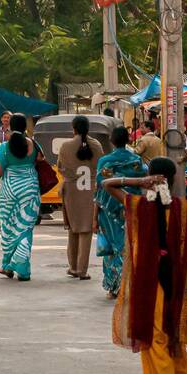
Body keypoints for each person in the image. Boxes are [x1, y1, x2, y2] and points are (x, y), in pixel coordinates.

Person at [105, 157, 187, 374]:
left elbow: (106, 184)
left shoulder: (137, 206)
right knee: (175, 342)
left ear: (150, 178)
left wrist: (137, 182)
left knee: (156, 343)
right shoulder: (186, 210)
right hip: (177, 288)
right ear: (173, 180)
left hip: (150, 291)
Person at [0, 113, 41, 281]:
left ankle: (8, 265)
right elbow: (40, 160)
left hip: (9, 191)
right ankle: (22, 269)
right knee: (25, 228)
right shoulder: (33, 145)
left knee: (8, 228)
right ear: (25, 128)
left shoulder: (3, 148)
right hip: (30, 189)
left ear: (10, 127)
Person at [96, 126, 147, 297]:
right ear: (128, 140)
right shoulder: (137, 160)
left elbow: (100, 186)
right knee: (128, 244)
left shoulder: (104, 161)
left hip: (108, 209)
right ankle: (128, 283)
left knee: (111, 247)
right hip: (131, 206)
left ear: (111, 140)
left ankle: (114, 286)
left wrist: (94, 215)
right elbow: (142, 181)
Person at [57, 115, 103, 279]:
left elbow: (60, 168)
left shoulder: (66, 146)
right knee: (86, 230)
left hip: (71, 190)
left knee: (73, 228)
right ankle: (82, 270)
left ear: (73, 128)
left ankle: (73, 266)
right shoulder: (96, 145)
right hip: (91, 190)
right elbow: (101, 167)